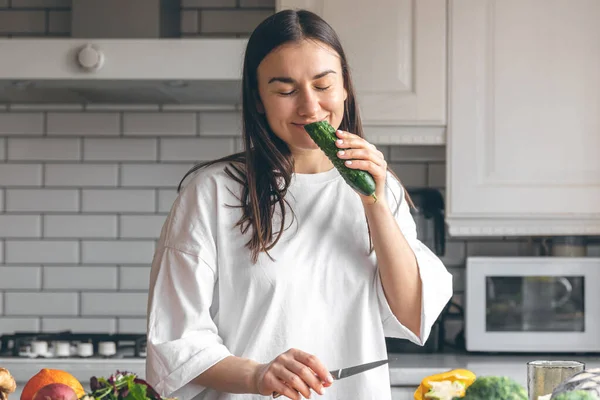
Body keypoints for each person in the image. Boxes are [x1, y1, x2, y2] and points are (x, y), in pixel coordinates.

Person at [145, 8, 453, 400]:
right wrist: (258, 375)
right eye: (286, 90)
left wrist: (373, 203)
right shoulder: (212, 193)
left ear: (345, 88)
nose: (309, 107)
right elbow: (175, 341)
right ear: (259, 100)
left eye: (323, 85)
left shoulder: (382, 190)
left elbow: (412, 315)